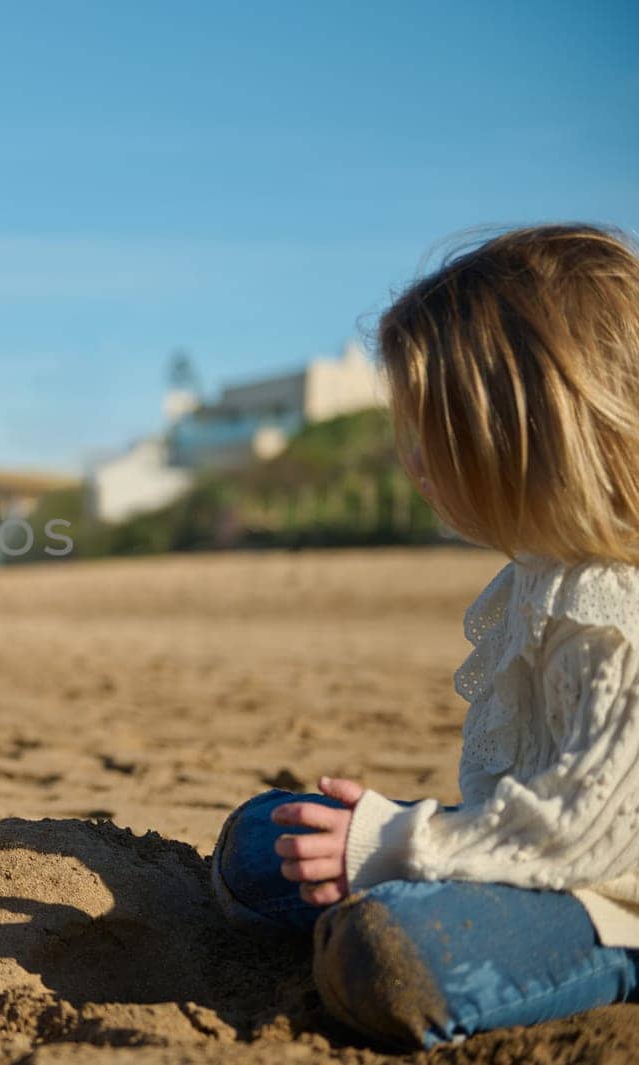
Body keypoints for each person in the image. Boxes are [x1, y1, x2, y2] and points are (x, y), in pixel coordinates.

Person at [210, 225, 639, 1049]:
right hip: (530, 846)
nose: (412, 462)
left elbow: (591, 829)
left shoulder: (616, 607)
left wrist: (394, 842)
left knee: (390, 951)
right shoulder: (542, 570)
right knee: (266, 842)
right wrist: (393, 840)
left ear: (532, 437)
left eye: (433, 436)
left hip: (612, 892)